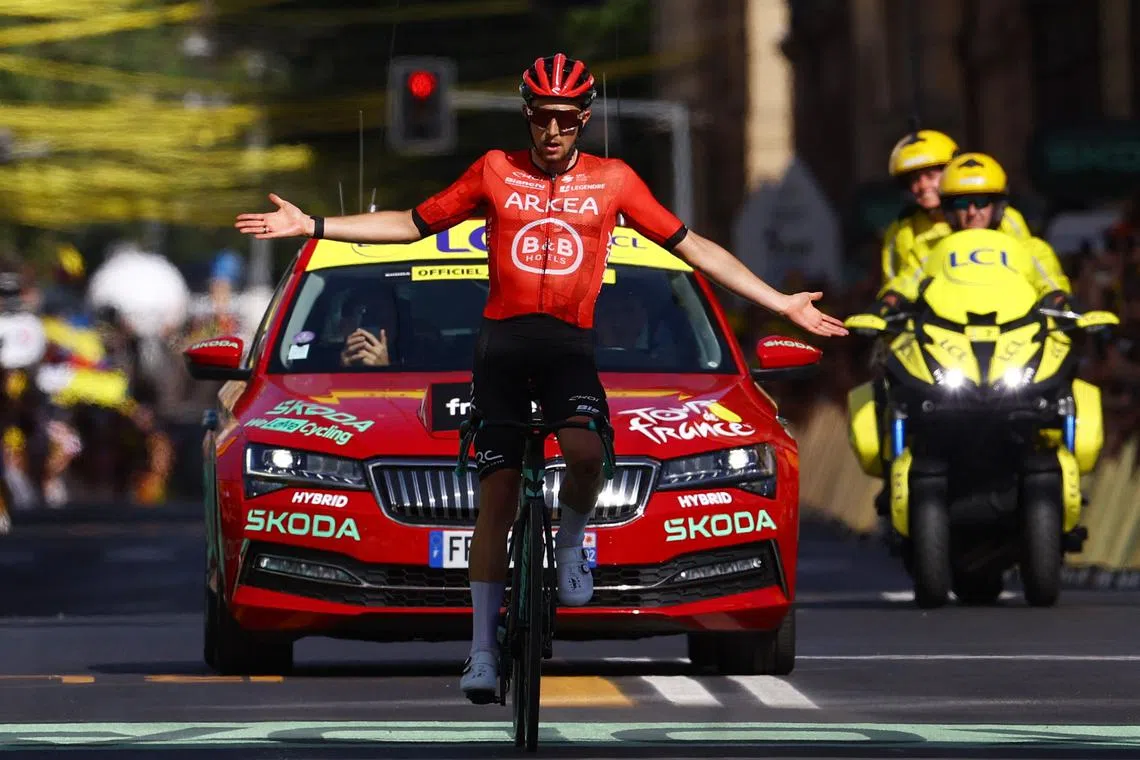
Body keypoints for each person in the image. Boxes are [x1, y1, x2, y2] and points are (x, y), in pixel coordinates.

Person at [235, 52, 847, 704]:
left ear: (583, 120)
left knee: (586, 456)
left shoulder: (615, 181)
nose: (553, 133)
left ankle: (576, 538)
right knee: (496, 496)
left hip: (567, 351)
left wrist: (780, 305)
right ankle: (480, 653)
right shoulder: (495, 171)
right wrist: (315, 226)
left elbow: (693, 247)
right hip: (501, 350)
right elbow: (410, 225)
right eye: (542, 119)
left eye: (566, 122)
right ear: (529, 116)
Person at [881, 152, 1071, 307]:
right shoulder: (928, 250)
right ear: (949, 210)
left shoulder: (1031, 249)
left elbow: (1051, 283)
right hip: (948, 337)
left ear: (997, 207)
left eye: (982, 202)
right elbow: (906, 282)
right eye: (962, 203)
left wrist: (1059, 300)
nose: (972, 212)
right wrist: (889, 302)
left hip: (1016, 336)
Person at [881, 131, 1034, 286]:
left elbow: (1031, 263)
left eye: (931, 175)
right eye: (914, 180)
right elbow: (895, 286)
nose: (922, 186)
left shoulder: (1002, 217)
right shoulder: (901, 230)